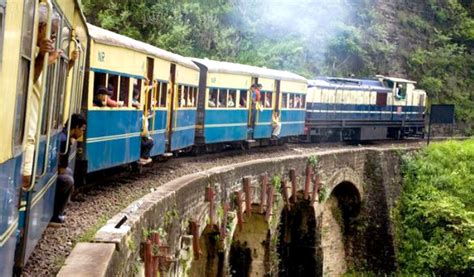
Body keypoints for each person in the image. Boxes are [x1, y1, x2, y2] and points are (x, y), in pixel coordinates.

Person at [22, 5, 63, 191]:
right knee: (25, 180)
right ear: (41, 28)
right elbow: (24, 85)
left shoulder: (38, 52)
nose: (52, 41)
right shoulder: (29, 52)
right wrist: (42, 58)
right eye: (52, 35)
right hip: (25, 132)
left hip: (29, 131)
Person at [51, 114, 87, 223]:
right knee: (67, 181)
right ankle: (56, 214)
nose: (82, 133)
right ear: (76, 127)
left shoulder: (64, 136)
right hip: (51, 172)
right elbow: (61, 169)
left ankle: (61, 209)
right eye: (82, 129)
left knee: (69, 172)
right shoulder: (64, 141)